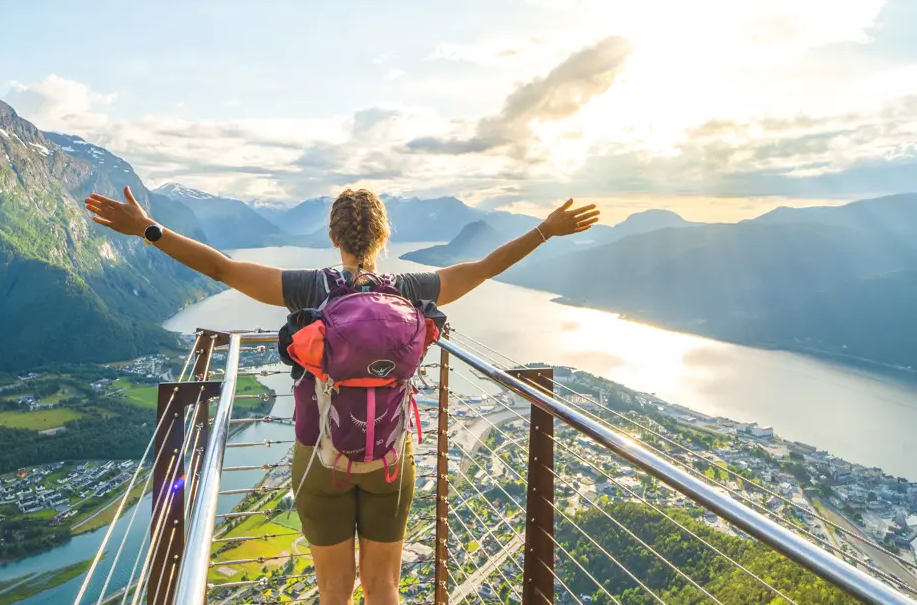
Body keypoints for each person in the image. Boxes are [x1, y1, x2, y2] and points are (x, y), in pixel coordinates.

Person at [84, 186, 599, 604]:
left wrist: (147, 229)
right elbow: (484, 268)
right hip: (392, 459)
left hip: (321, 456)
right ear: (385, 235)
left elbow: (221, 269)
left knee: (333, 591)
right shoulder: (412, 288)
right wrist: (545, 231)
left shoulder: (311, 287)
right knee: (384, 588)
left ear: (334, 236)